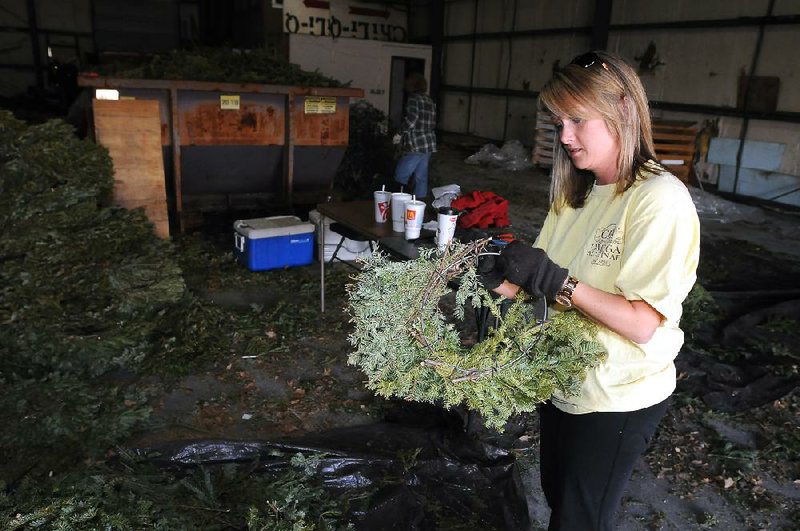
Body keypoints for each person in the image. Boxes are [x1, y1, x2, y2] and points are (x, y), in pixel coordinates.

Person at [480, 50, 700, 530]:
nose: (564, 136)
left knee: (580, 520)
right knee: (558, 496)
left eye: (577, 120)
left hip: (617, 396)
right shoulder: (574, 195)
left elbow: (643, 324)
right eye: (559, 122)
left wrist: (562, 281)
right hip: (564, 382)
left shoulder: (658, 200)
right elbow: (541, 294)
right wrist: (498, 285)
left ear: (622, 108)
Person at [393, 72, 437, 199]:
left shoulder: (413, 99)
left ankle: (399, 202)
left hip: (416, 143)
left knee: (401, 175)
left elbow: (412, 119)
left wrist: (400, 133)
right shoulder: (429, 100)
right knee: (421, 177)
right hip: (429, 142)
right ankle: (419, 204)